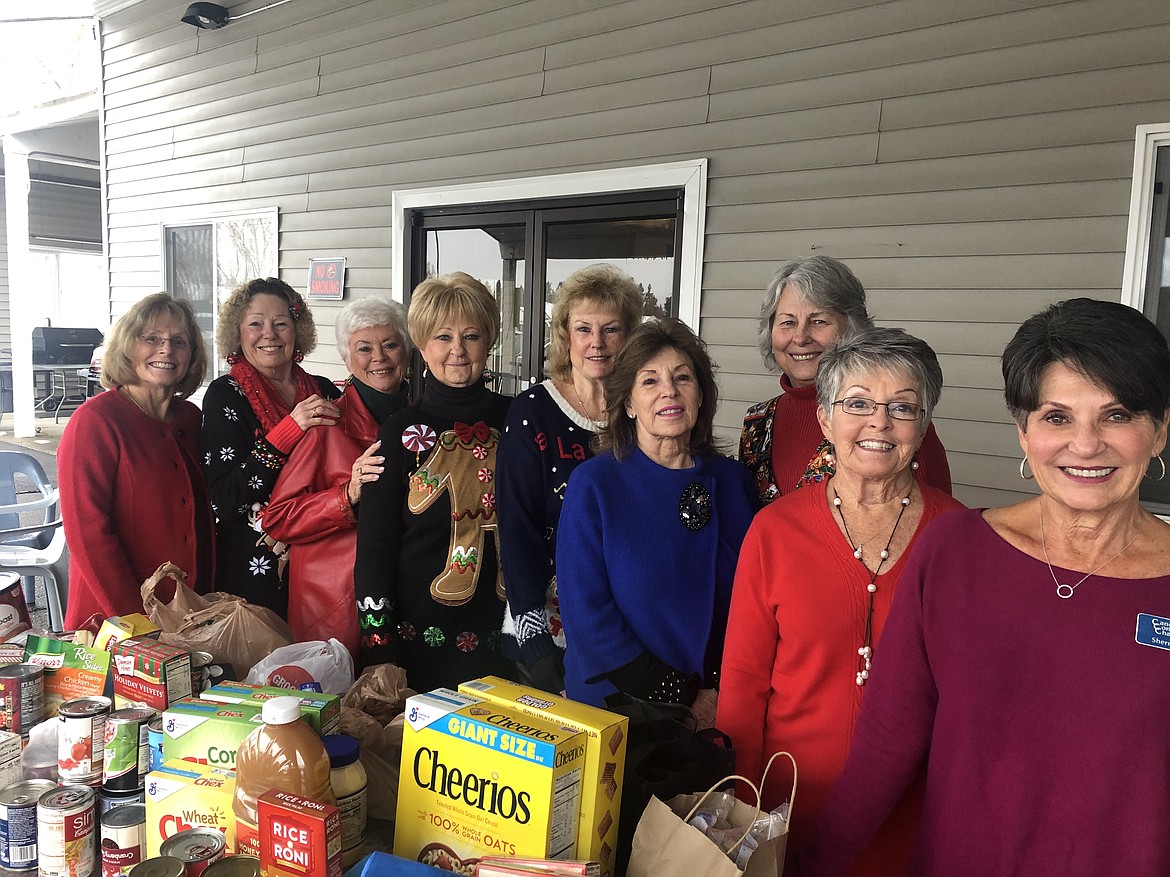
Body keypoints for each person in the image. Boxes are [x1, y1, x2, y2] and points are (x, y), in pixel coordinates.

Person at [797, 299, 1170, 877]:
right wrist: (810, 865)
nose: (1088, 443)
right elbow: (887, 743)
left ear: (1160, 429)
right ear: (1023, 431)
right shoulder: (956, 552)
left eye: (1117, 415)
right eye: (1056, 416)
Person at [718, 328, 964, 875]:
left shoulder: (961, 539)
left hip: (914, 814)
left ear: (923, 427)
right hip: (787, 806)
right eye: (857, 404)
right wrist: (743, 807)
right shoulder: (775, 531)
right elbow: (743, 685)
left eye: (902, 407)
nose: (879, 422)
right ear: (826, 419)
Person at [556, 318, 758, 710]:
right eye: (649, 381)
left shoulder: (732, 481)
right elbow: (588, 617)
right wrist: (681, 696)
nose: (670, 391)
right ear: (628, 403)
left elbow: (753, 601)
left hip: (719, 701)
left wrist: (719, 689)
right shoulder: (594, 485)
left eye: (683, 378)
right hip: (621, 706)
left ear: (701, 395)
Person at [353, 272, 512, 690]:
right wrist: (379, 649)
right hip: (418, 644)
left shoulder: (517, 419)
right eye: (443, 337)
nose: (457, 350)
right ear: (422, 347)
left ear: (489, 341)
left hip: (510, 639)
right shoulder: (401, 430)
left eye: (471, 336)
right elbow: (375, 549)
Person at [497, 264, 644, 693]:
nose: (596, 343)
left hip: (630, 622)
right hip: (550, 626)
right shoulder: (533, 412)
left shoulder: (644, 407)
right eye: (584, 329)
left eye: (611, 329)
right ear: (565, 336)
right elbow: (517, 527)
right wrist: (533, 636)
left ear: (630, 336)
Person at [262, 297, 411, 660]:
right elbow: (278, 517)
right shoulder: (326, 426)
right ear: (347, 360)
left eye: (390, 344)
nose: (379, 357)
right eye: (364, 348)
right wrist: (348, 494)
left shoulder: (421, 423)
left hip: (407, 595)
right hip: (336, 605)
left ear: (407, 351)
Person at [741, 256, 951, 505]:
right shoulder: (757, 423)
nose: (800, 337)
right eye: (788, 322)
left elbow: (936, 525)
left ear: (852, 329)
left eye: (818, 321)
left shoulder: (893, 422)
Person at [59, 293, 213, 628]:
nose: (166, 350)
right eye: (152, 339)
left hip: (190, 614)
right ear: (128, 346)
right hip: (116, 620)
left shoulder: (190, 418)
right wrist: (136, 621)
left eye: (179, 341)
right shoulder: (95, 421)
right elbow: (88, 536)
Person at [202, 277, 341, 619]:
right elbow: (223, 498)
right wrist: (289, 431)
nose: (269, 333)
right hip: (254, 576)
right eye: (255, 324)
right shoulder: (225, 395)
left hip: (325, 565)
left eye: (281, 323)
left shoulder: (323, 389)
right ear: (238, 332)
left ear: (297, 331)